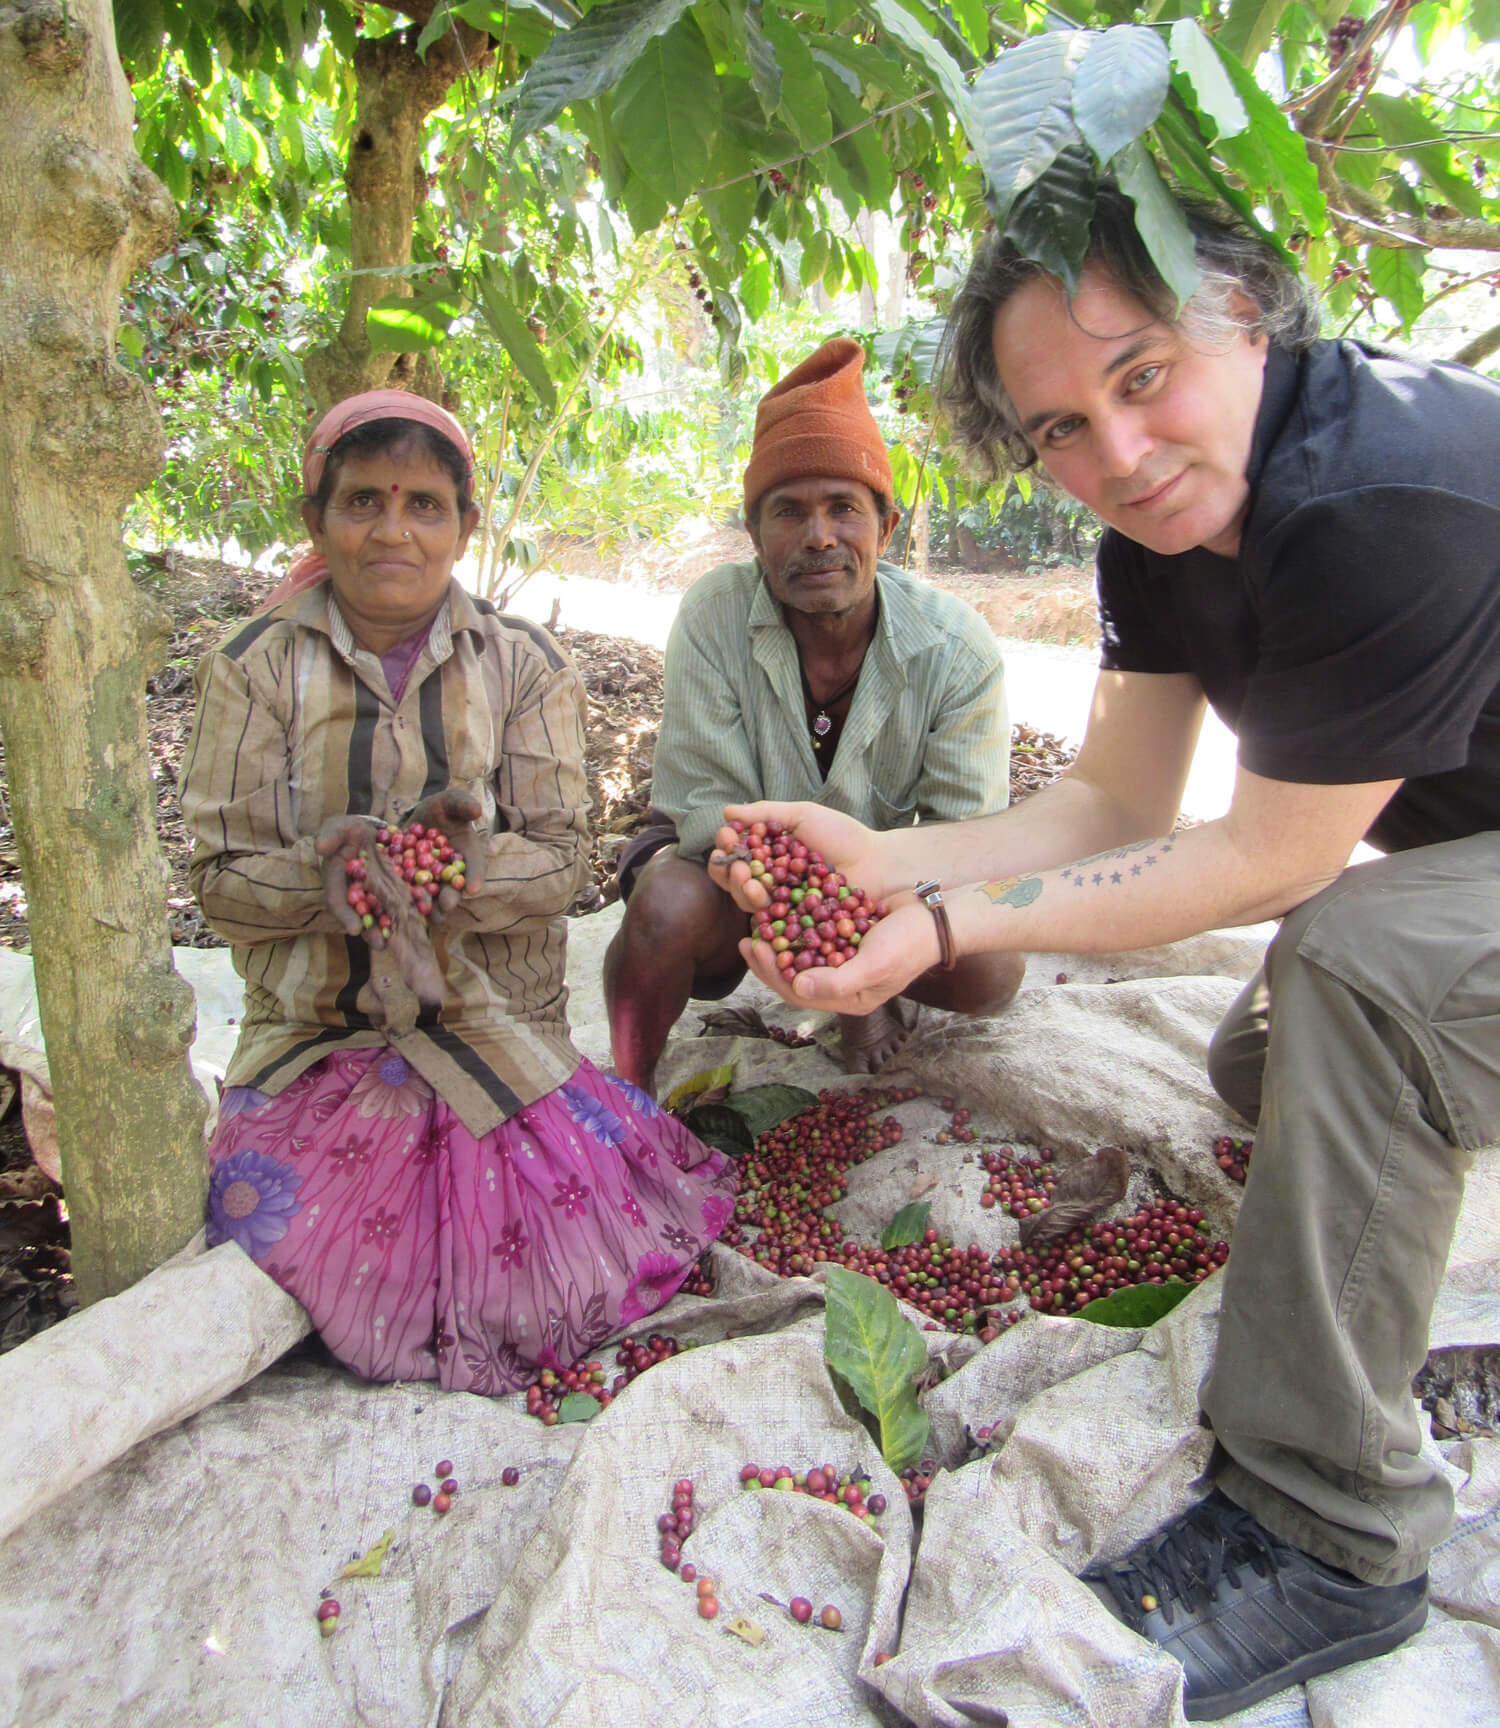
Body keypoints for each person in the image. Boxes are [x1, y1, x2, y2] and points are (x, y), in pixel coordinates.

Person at [707, 189, 1500, 1720]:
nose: (1114, 454)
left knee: (1351, 969)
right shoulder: (1159, 534)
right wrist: (893, 863)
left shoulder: (1373, 495)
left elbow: (1269, 861)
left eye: (1143, 377)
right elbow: (1119, 804)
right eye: (1059, 426)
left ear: (1250, 315)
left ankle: (1330, 1526)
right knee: (1268, 1057)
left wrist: (941, 934)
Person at [180, 390, 735, 1394]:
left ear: (465, 526)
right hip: (323, 1032)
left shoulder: (524, 665)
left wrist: (469, 877)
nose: (394, 529)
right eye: (363, 501)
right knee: (291, 1244)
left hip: (493, 1029)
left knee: (563, 1274)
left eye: (425, 503)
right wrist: (326, 873)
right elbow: (219, 882)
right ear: (317, 519)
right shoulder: (253, 671)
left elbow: (566, 859)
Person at [603, 337, 1025, 1088]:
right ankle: (630, 1090)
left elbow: (964, 839)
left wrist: (865, 949)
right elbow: (705, 810)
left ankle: (874, 989)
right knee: (664, 907)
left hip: (891, 888)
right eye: (788, 513)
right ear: (755, 535)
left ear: (886, 529)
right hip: (728, 877)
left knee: (991, 968)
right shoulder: (715, 615)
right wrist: (821, 926)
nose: (819, 536)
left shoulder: (956, 648)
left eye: (844, 509)